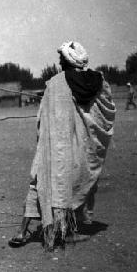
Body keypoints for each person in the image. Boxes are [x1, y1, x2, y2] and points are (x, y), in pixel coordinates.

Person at [8, 41, 116, 251]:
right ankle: (62, 227)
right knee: (69, 182)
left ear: (66, 61)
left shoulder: (56, 83)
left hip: (57, 148)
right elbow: (104, 114)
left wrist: (47, 99)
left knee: (40, 180)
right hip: (81, 149)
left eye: (61, 59)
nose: (58, 62)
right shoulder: (98, 81)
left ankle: (23, 231)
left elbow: (45, 118)